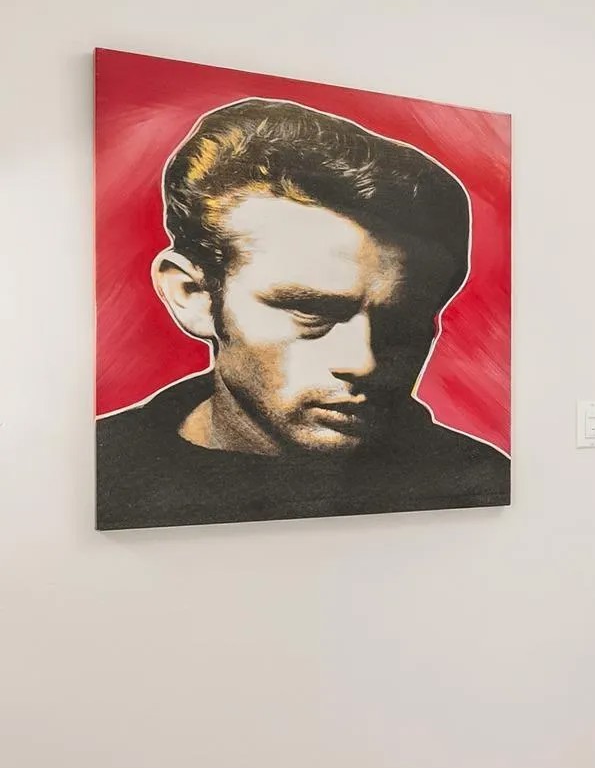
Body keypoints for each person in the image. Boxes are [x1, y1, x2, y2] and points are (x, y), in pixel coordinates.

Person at [96, 98, 509, 529]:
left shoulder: (481, 480)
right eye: (311, 311)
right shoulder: (94, 473)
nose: (362, 362)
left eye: (402, 322)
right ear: (193, 295)